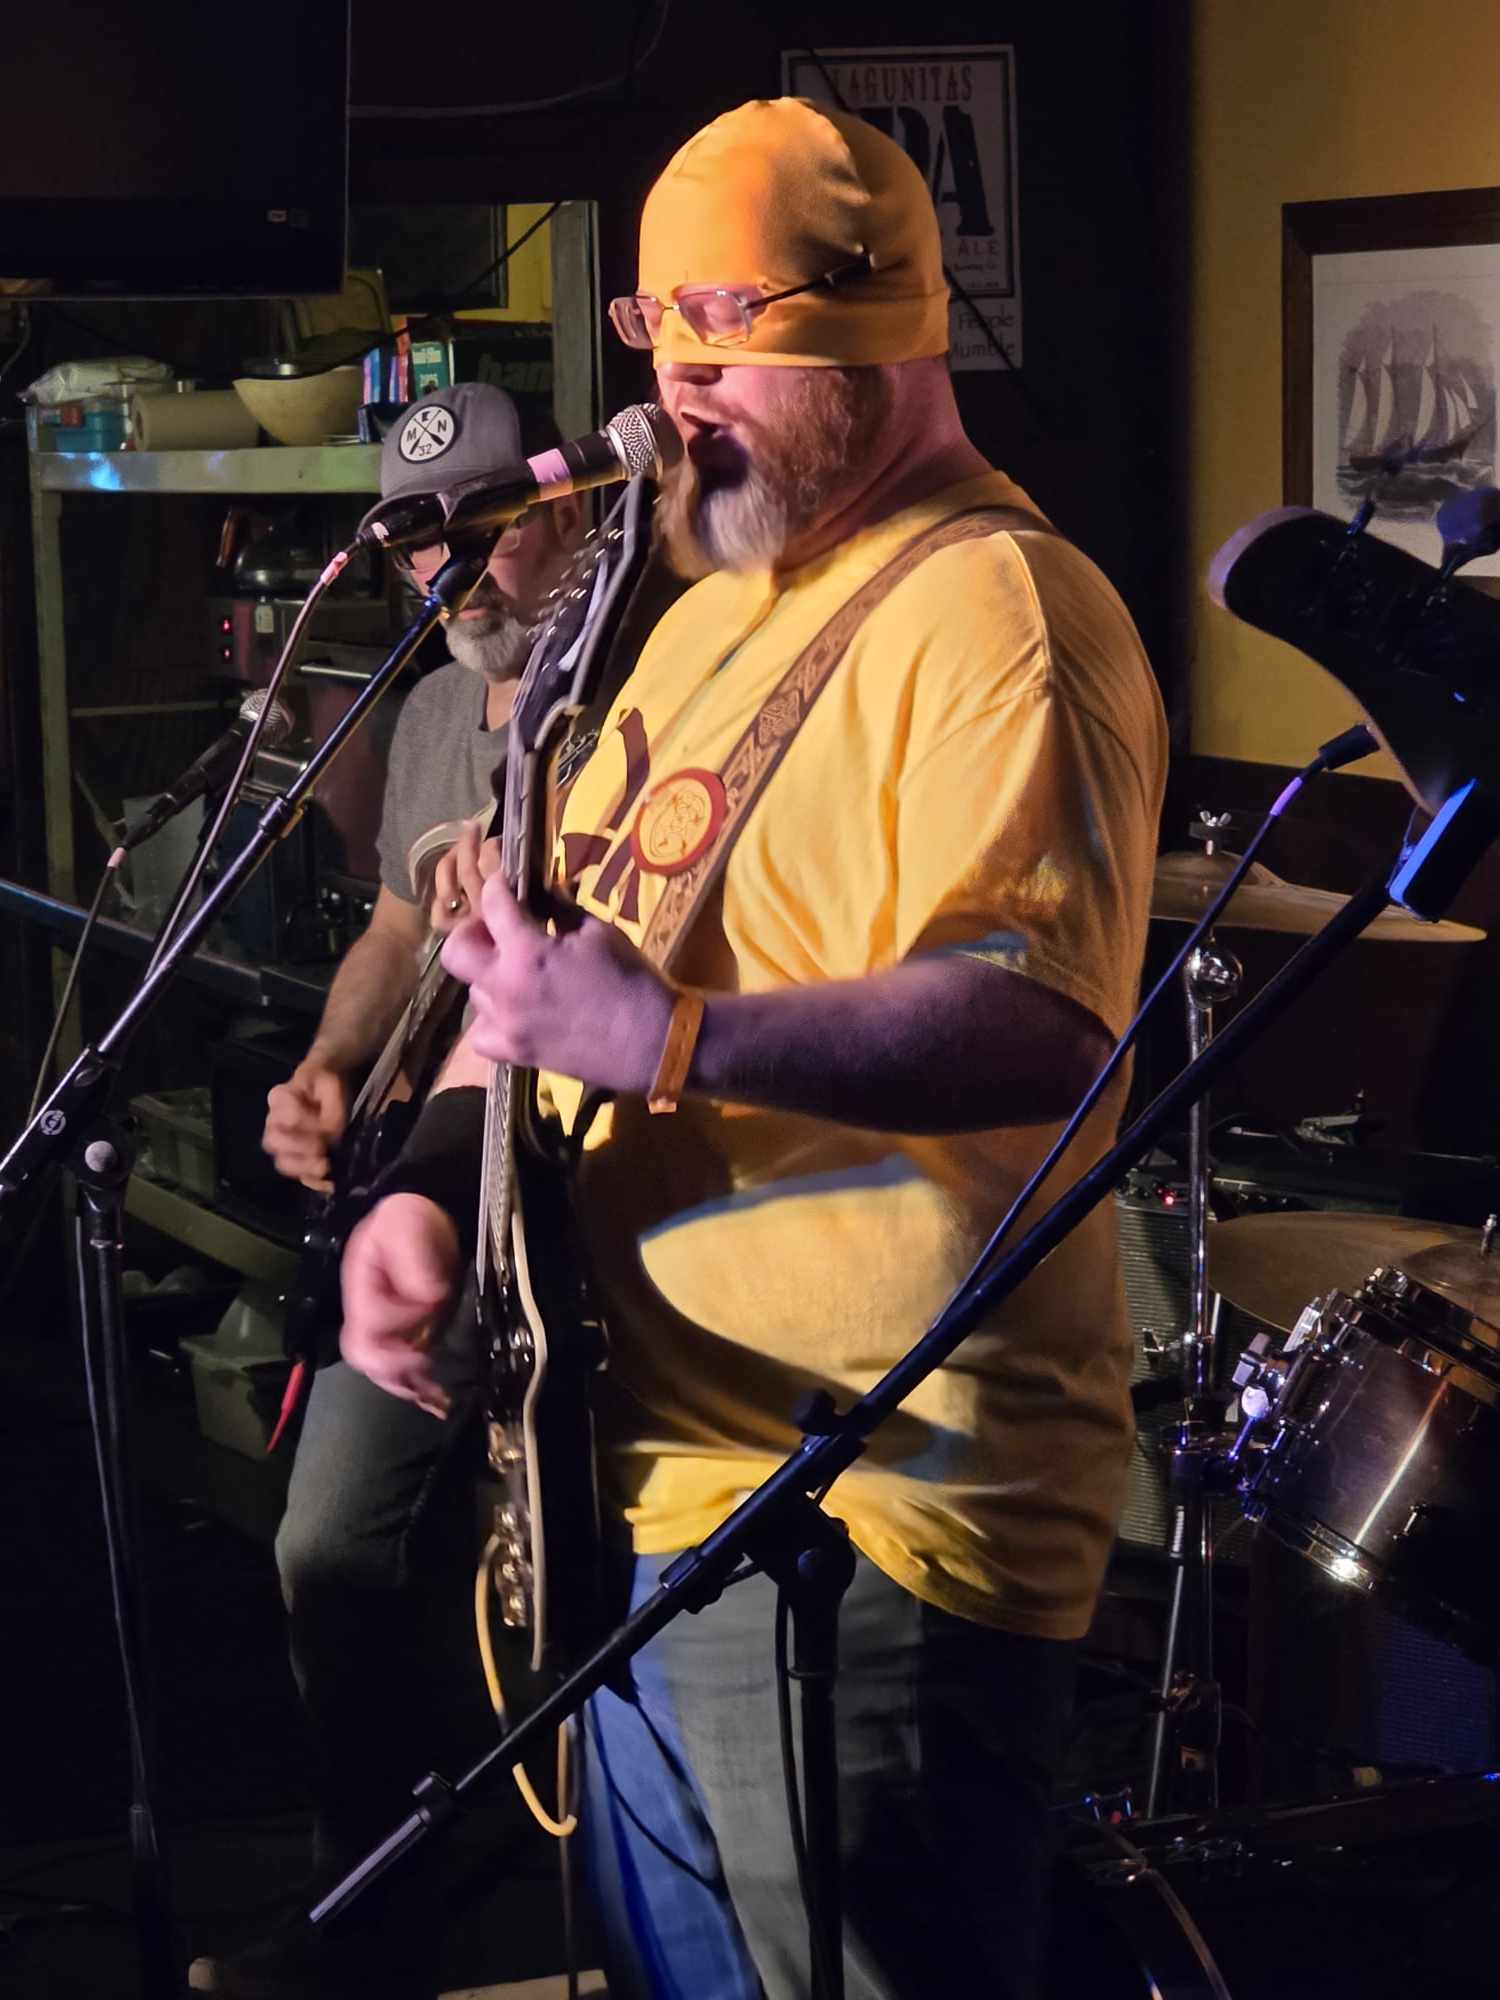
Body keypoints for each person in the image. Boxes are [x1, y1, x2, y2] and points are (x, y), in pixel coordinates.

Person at [339, 98, 1170, 2000]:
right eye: (661, 344)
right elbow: (533, 966)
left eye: (724, 352)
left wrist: (678, 1035)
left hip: (869, 1515)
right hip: (654, 1487)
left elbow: (1040, 1019)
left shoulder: (999, 613)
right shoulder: (711, 607)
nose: (674, 406)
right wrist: (428, 1198)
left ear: (874, 347)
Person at [189, 382, 582, 2000]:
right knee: (337, 1550)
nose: (459, 579)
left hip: (556, 1202)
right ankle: (378, 1916)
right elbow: (396, 933)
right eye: (425, 551)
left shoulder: (624, 686)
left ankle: (471, 1908)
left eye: (488, 535)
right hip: (428, 1187)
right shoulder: (432, 710)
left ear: (568, 512)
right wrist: (337, 1065)